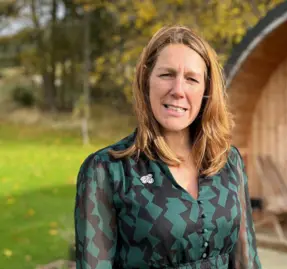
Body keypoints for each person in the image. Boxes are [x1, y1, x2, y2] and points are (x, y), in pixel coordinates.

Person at [74, 25, 262, 269]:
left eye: (191, 79)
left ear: (206, 91)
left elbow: (247, 260)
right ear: (146, 81)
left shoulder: (228, 161)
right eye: (167, 75)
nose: (178, 91)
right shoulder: (107, 170)